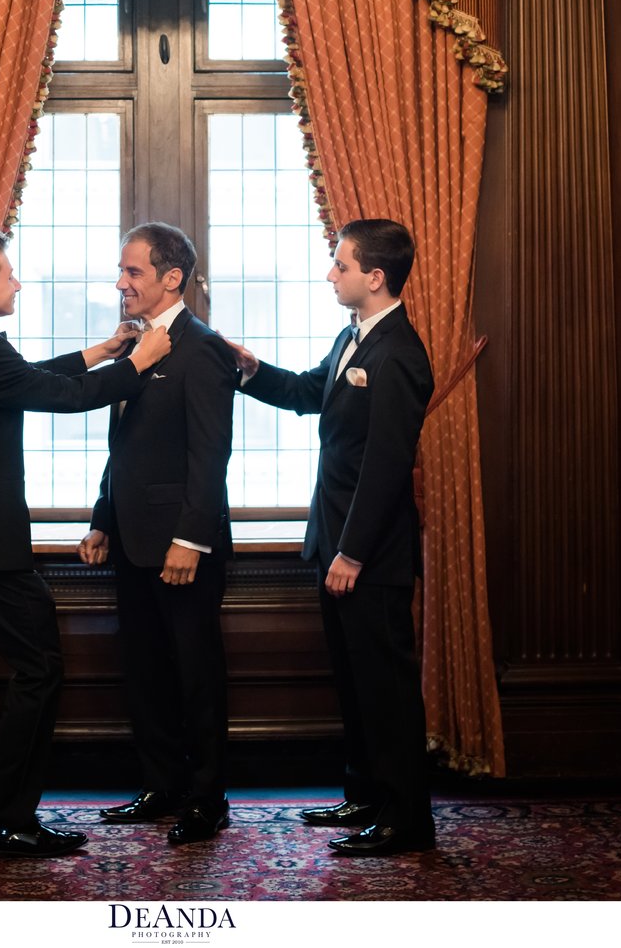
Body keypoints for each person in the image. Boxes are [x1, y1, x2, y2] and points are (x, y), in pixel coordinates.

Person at [0, 227, 170, 860]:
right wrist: (134, 364)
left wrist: (100, 351)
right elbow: (60, 397)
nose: (19, 284)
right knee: (41, 668)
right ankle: (9, 820)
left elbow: (22, 378)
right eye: (11, 275)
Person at [225, 218, 435, 857]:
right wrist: (252, 369)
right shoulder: (354, 336)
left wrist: (352, 551)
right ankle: (366, 796)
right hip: (337, 543)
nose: (330, 274)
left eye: (340, 266)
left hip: (368, 553)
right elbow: (307, 393)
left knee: (386, 689)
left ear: (375, 277)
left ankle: (405, 822)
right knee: (354, 681)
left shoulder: (398, 352)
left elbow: (386, 465)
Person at [78, 223, 236, 845]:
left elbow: (211, 455)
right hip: (130, 542)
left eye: (133, 272)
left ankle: (206, 798)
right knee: (143, 670)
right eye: (121, 272)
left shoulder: (203, 349)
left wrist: (189, 540)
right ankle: (161, 785)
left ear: (172, 278)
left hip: (182, 548)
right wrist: (100, 516)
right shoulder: (134, 345)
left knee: (195, 673)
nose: (120, 283)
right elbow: (125, 444)